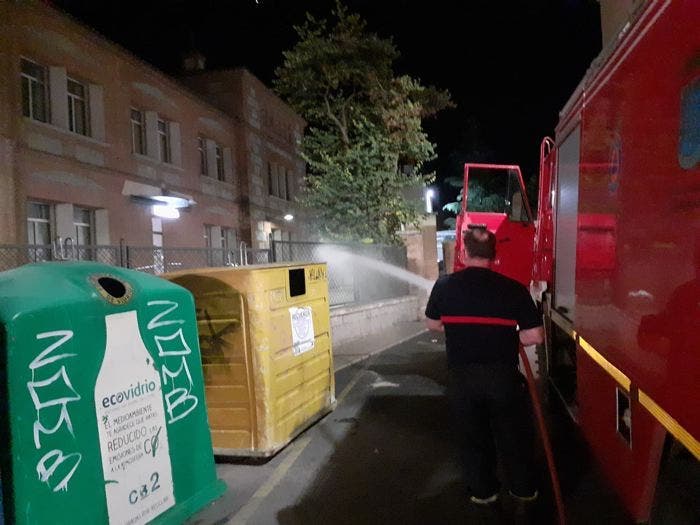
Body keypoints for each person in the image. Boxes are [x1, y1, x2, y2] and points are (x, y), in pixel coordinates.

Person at [424, 226, 543, 507]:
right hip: (502, 377)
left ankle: (483, 491)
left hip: (462, 378)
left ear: (463, 253)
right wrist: (505, 339)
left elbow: (432, 324)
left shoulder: (444, 286)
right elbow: (535, 335)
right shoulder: (514, 289)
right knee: (513, 436)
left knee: (473, 437)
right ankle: (523, 489)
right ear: (495, 255)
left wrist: (464, 332)